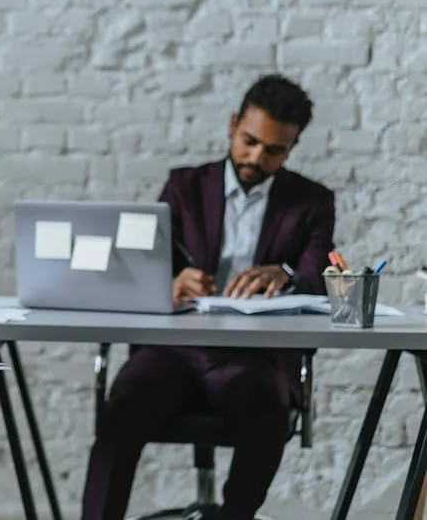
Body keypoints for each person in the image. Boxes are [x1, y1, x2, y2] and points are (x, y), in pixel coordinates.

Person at [81, 74, 335, 520]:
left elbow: (318, 274)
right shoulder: (183, 186)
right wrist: (172, 282)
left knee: (267, 409)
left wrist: (287, 272)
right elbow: (145, 262)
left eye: (274, 150)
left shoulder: (311, 201)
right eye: (249, 140)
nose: (257, 157)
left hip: (254, 356)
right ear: (233, 124)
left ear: (292, 148)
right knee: (123, 408)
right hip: (173, 349)